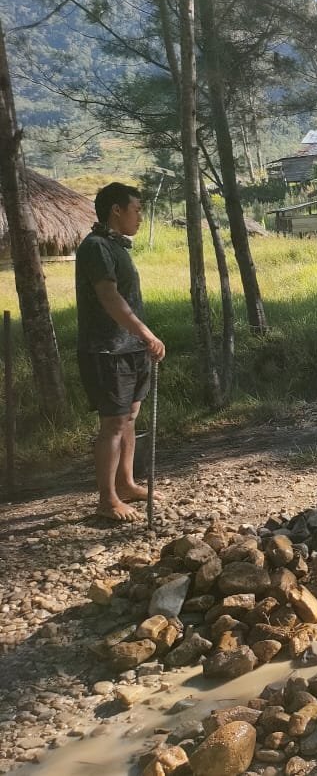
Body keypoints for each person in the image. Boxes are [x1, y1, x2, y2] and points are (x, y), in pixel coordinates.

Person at [75, 182, 166, 522]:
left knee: (129, 417)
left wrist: (139, 339)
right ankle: (107, 499)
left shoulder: (116, 247)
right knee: (113, 422)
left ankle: (126, 483)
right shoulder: (96, 247)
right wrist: (145, 332)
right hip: (106, 350)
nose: (140, 216)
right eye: (136, 209)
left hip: (129, 348)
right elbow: (109, 298)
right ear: (116, 210)